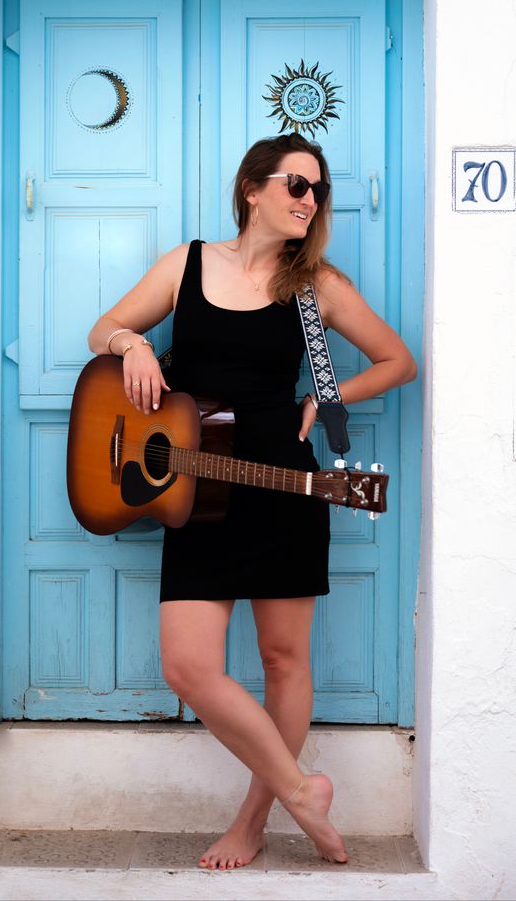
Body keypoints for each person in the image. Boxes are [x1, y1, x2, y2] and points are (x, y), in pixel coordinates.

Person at [87, 133, 417, 870]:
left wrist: (326, 395)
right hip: (194, 485)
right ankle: (304, 792)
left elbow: (399, 360)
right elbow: (103, 327)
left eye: (318, 190)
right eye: (297, 184)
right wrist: (132, 345)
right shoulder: (188, 263)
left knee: (283, 658)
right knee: (187, 666)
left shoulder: (315, 284)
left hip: (282, 484)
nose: (310, 200)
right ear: (252, 188)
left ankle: (253, 821)